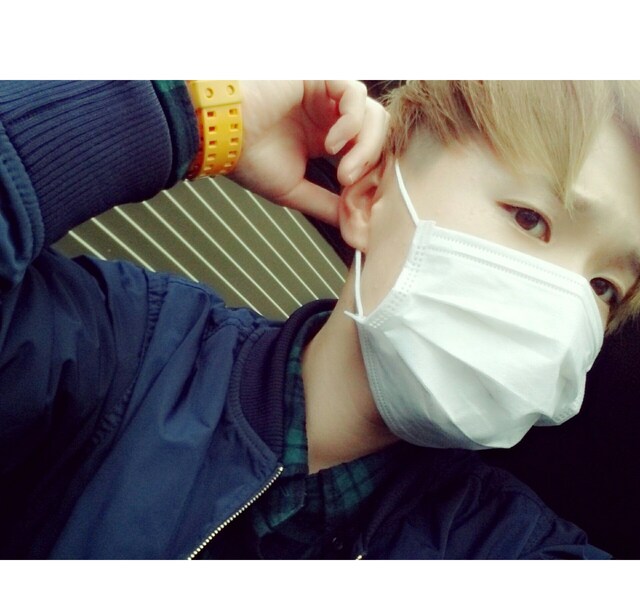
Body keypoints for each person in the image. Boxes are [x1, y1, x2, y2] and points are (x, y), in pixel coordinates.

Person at [0, 80, 635, 559]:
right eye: (530, 218)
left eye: (604, 288)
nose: (566, 307)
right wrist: (189, 114)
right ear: (369, 198)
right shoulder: (129, 350)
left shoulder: (507, 551)